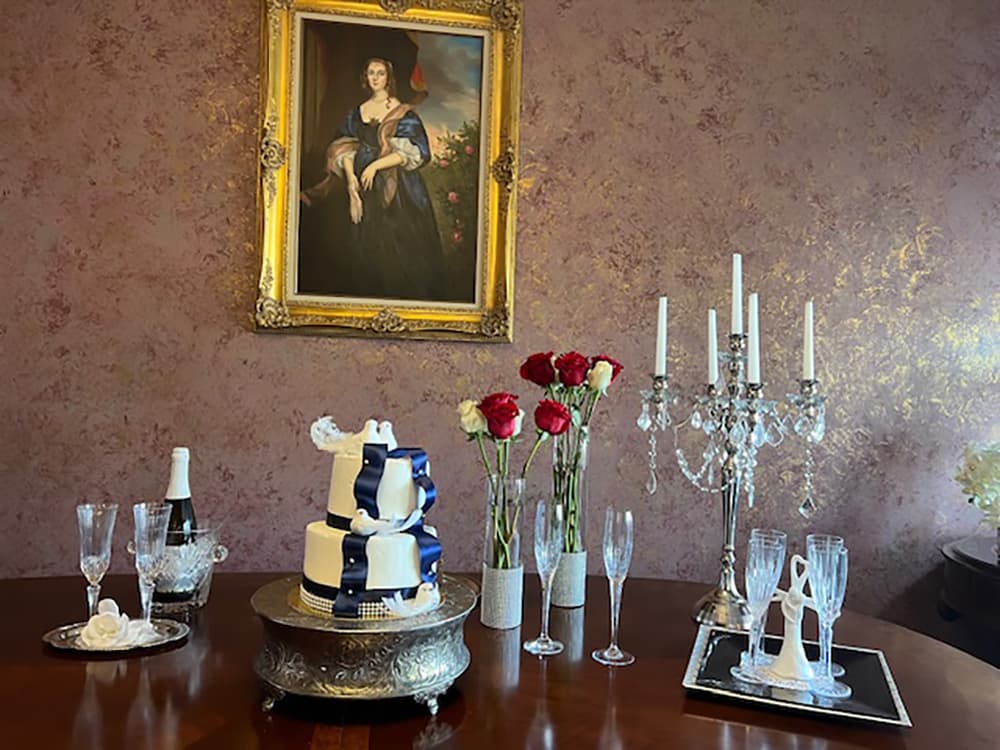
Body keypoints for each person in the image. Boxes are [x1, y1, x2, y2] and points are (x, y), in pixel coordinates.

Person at [301, 58, 446, 301]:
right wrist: (351, 185)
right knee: (362, 248)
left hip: (399, 187)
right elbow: (343, 148)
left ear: (389, 78)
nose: (376, 78)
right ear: (365, 78)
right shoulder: (357, 113)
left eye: (380, 73)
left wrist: (375, 166)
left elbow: (414, 152)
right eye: (371, 73)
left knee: (401, 250)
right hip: (363, 185)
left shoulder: (403, 113)